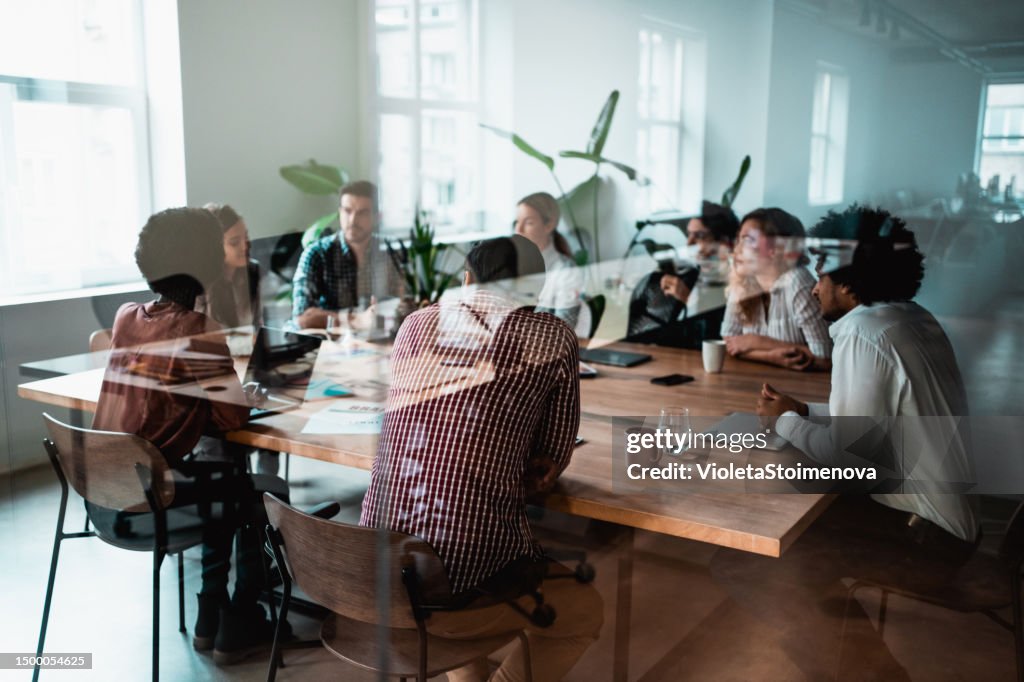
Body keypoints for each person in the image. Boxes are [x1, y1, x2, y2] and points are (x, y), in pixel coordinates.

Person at [712, 205, 979, 679]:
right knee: (786, 525)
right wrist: (801, 412)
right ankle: (860, 667)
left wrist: (782, 426)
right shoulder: (909, 318)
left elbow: (847, 459)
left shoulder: (862, 331)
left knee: (745, 561)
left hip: (924, 537)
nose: (814, 286)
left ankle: (870, 672)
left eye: (821, 272)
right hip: (951, 523)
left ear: (848, 277)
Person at [360, 235, 602, 682]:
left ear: (466, 278)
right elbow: (550, 456)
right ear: (536, 292)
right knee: (584, 615)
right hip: (462, 575)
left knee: (455, 573)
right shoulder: (553, 337)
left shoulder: (414, 323)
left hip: (377, 567)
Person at [92, 207, 287, 665]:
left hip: (106, 494)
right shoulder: (199, 331)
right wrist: (240, 394)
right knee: (258, 490)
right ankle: (233, 619)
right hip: (153, 505)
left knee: (222, 480)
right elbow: (231, 419)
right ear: (205, 264)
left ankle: (211, 620)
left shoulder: (126, 317)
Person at [720, 207, 832, 370]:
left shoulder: (797, 281)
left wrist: (755, 342)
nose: (736, 250)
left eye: (747, 240)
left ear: (776, 249)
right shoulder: (741, 283)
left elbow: (825, 358)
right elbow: (729, 343)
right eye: (738, 240)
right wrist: (772, 356)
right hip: (759, 382)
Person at [291, 180, 400, 330]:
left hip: (378, 341)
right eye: (347, 211)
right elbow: (302, 317)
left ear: (377, 217)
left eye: (362, 213)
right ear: (339, 212)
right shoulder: (316, 254)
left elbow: (404, 305)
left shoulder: (390, 252)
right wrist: (357, 319)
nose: (353, 220)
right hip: (327, 345)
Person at [514, 191, 583, 327]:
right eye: (517, 222)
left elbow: (564, 330)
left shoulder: (567, 272)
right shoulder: (514, 265)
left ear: (549, 225)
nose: (519, 230)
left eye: (528, 222)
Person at [196, 203, 262, 329]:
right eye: (234, 242)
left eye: (246, 237)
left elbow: (257, 328)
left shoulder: (252, 271)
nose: (245, 246)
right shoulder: (199, 284)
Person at [659, 200, 739, 303]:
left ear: (723, 241)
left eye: (699, 236)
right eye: (689, 234)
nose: (689, 243)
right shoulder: (692, 274)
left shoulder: (738, 285)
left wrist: (687, 299)